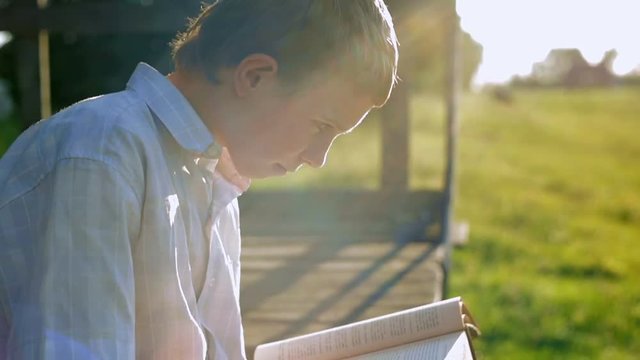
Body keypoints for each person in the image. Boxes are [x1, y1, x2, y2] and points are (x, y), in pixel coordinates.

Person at [0, 0, 399, 358]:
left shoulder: (214, 182)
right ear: (255, 76)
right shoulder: (101, 154)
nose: (318, 158)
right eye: (321, 126)